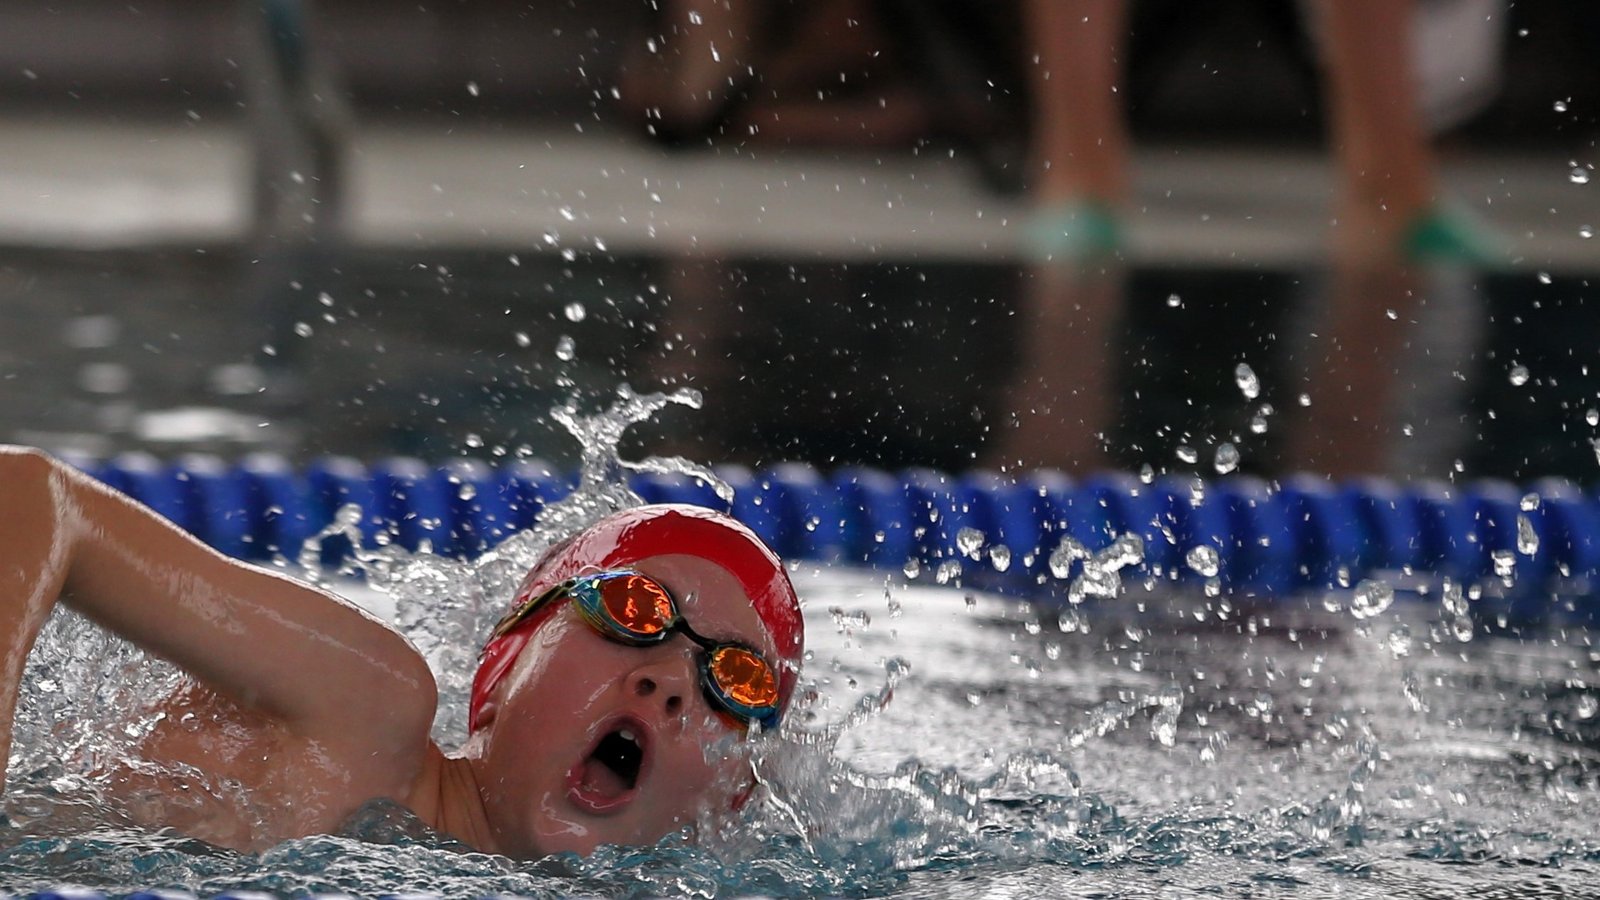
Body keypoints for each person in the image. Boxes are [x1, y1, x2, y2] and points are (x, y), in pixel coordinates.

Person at [0, 445, 804, 858]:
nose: (670, 681)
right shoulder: (365, 716)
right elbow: (33, 496)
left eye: (734, 680)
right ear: (501, 670)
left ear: (727, 804)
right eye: (635, 610)